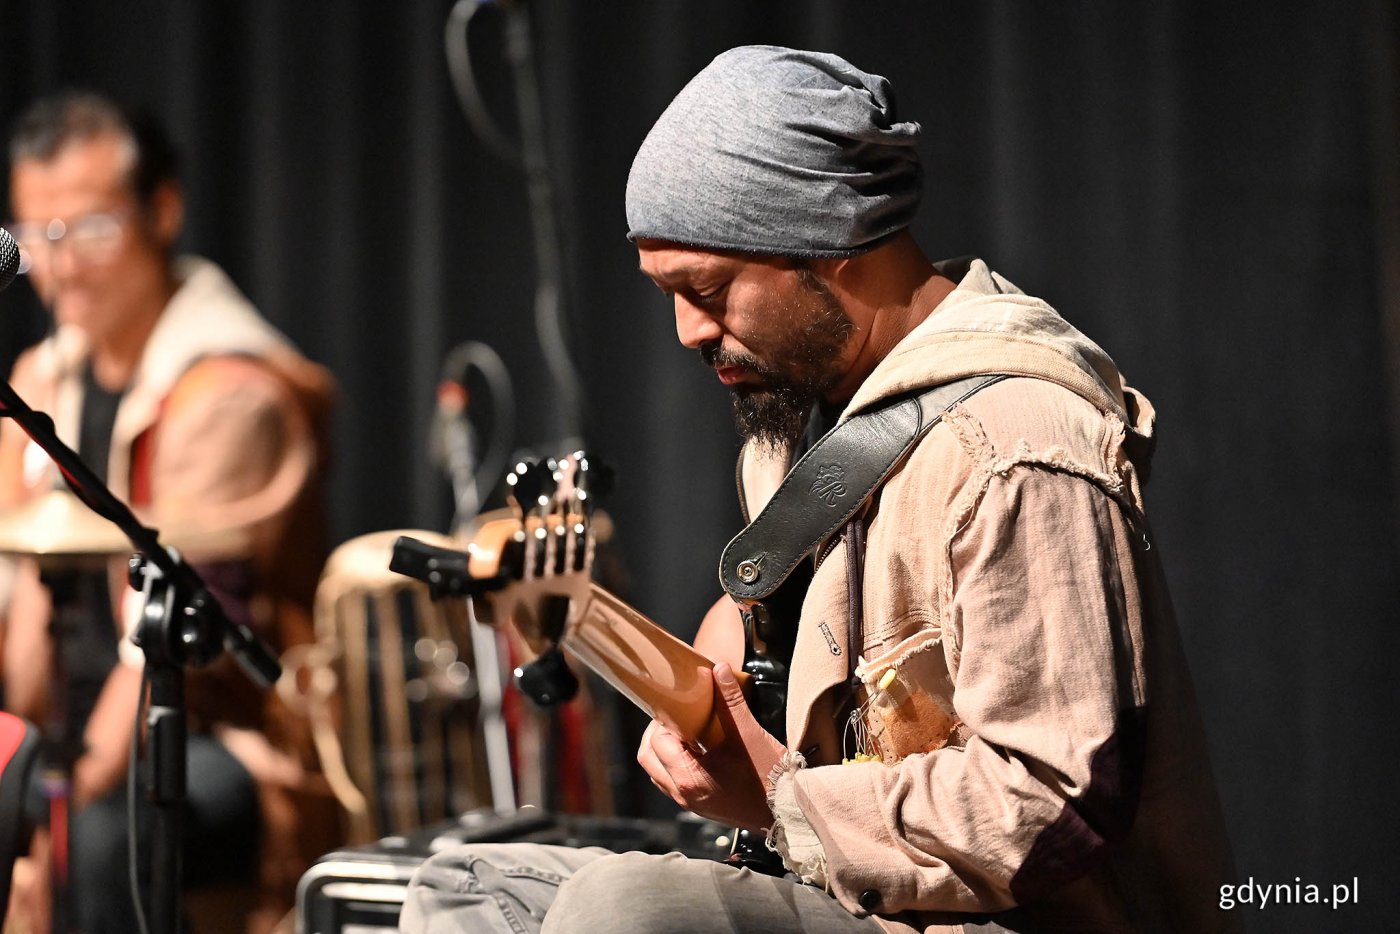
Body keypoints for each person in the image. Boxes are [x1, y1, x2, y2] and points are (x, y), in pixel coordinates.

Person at [400, 46, 1238, 933]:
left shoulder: (1014, 450)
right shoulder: (798, 426)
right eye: (668, 294)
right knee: (463, 888)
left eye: (710, 288)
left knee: (624, 907)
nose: (687, 330)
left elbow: (1048, 806)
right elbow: (764, 634)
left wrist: (777, 800)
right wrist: (707, 685)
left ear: (832, 247)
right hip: (850, 893)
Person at [0, 92, 339, 933]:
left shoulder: (230, 392)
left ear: (162, 210)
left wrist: (53, 810)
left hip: (213, 733)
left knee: (109, 831)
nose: (62, 266)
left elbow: (168, 643)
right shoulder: (41, 380)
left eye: (90, 229)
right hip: (68, 732)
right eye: (37, 236)